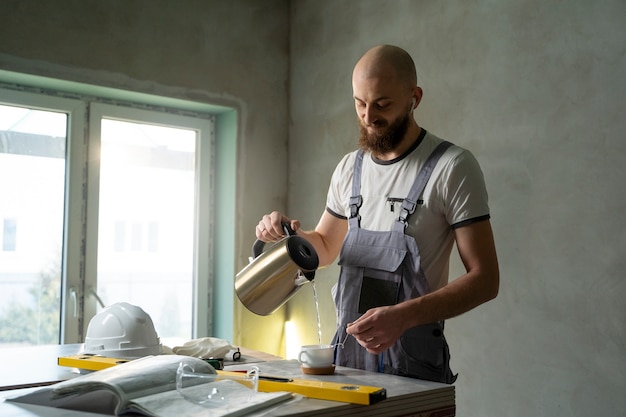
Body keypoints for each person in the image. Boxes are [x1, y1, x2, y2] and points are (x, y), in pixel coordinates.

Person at [256, 44, 499, 384]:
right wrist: (288, 236)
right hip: (347, 364)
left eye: (382, 104)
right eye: (360, 103)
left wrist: (403, 317)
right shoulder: (348, 169)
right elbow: (325, 246)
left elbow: (486, 280)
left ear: (414, 97)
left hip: (414, 369)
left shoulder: (452, 167)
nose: (369, 117)